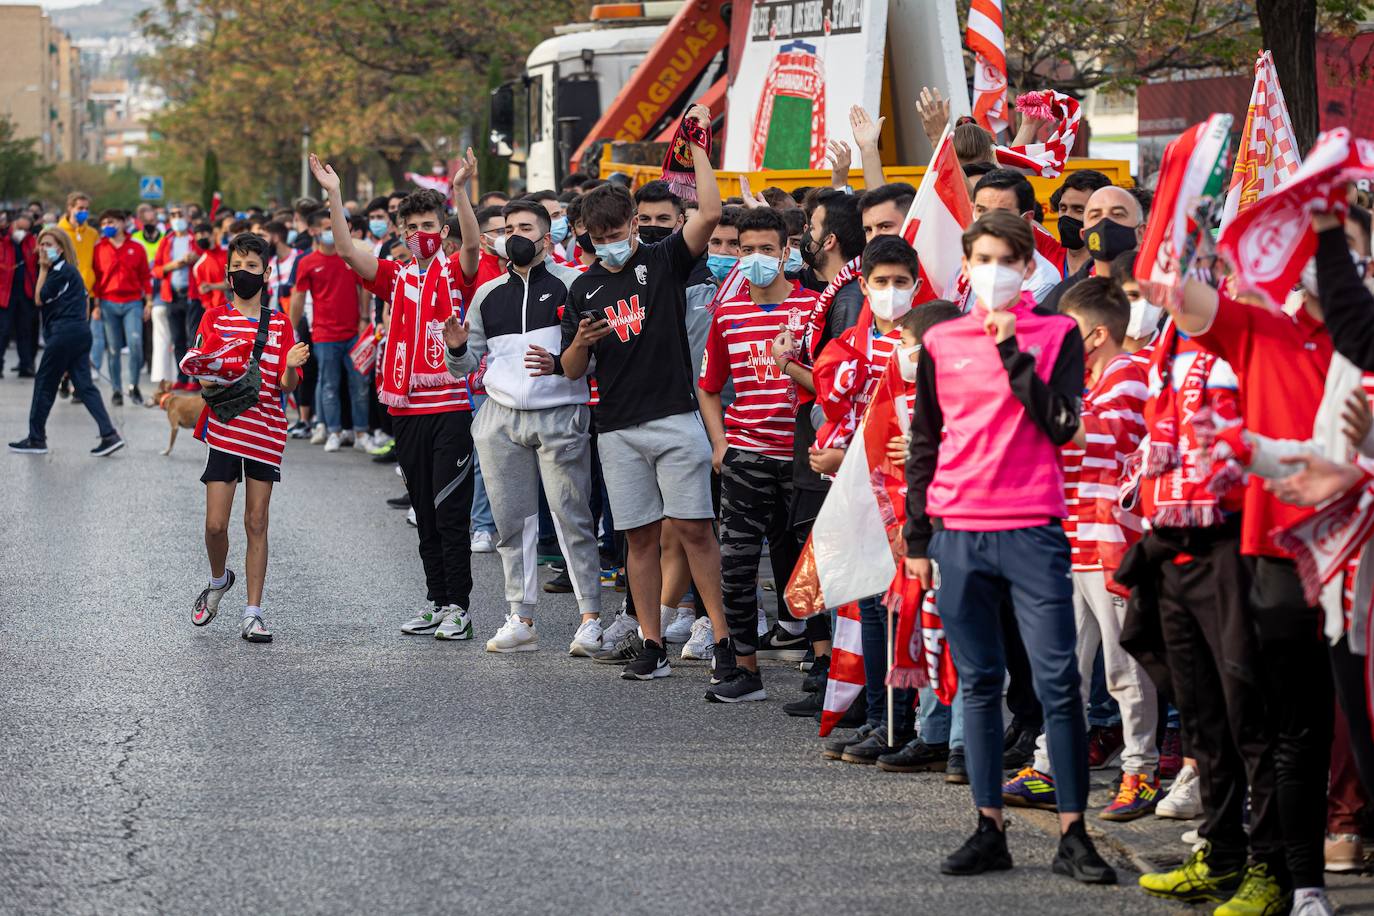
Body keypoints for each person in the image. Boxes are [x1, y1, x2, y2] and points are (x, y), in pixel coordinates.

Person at [903, 210, 1115, 883]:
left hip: (1033, 529)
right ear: (966, 267)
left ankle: (1074, 834)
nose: (994, 271)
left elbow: (1063, 424)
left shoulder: (1058, 333)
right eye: (982, 259)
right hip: (959, 532)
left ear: (1027, 267)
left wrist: (1010, 351)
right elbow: (925, 442)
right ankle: (987, 826)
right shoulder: (941, 340)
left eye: (1006, 260)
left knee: (1058, 682)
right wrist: (917, 537)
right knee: (979, 684)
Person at [555, 102, 729, 683]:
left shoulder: (663, 258)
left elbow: (710, 212)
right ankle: (651, 643)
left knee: (696, 528)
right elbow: (572, 369)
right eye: (600, 238)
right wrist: (580, 341)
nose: (611, 244)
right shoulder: (582, 288)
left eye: (619, 233)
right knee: (639, 538)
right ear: (586, 236)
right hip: (617, 427)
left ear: (634, 223)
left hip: (676, 416)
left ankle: (723, 639)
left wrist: (697, 148)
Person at [1000, 277, 1160, 818]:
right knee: (1063, 667)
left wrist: (1026, 386)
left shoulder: (1128, 374)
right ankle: (1050, 767)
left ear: (1094, 335)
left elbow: (1097, 436)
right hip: (1069, 541)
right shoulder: (1087, 381)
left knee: (1123, 670)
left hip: (1111, 545)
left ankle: (1141, 771)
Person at [312, 153, 481, 642]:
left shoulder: (456, 270)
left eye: (429, 225)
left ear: (442, 231)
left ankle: (460, 607)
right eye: (412, 227)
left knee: (450, 511)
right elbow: (348, 251)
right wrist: (335, 194)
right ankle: (437, 601)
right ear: (403, 234)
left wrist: (460, 191)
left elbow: (473, 244)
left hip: (450, 408)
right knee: (424, 509)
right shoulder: (396, 276)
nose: (420, 233)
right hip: (405, 411)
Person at [444, 197, 604, 655]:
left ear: (547, 237)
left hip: (561, 413)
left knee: (572, 517)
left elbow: (597, 356)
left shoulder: (576, 284)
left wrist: (560, 363)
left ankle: (590, 619)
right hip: (500, 417)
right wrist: (457, 348)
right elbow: (466, 366)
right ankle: (521, 618)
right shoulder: (487, 293)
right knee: (512, 523)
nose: (515, 235)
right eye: (508, 227)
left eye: (525, 228)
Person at [697, 206, 818, 701]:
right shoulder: (727, 313)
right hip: (746, 455)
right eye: (746, 250)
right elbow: (708, 386)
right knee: (737, 564)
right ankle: (744, 669)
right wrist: (720, 444)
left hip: (803, 457)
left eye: (766, 249)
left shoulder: (814, 307)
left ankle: (823, 665)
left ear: (787, 251)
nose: (755, 259)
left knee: (812, 563)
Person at [188, 233, 309, 644]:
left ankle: (253, 613)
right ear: (227, 274)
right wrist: (212, 371)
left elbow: (288, 384)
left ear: (266, 273)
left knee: (256, 522)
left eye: (252, 267)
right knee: (215, 525)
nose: (244, 274)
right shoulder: (213, 319)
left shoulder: (280, 323)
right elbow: (203, 375)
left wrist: (290, 365)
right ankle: (218, 579)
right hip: (225, 430)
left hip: (266, 430)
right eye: (237, 267)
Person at [7, 227, 123, 456]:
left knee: (44, 385)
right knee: (84, 386)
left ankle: (36, 439)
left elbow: (39, 298)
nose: (43, 248)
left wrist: (42, 268)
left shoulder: (60, 271)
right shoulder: (71, 271)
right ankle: (109, 435)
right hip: (78, 332)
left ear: (61, 248)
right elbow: (84, 303)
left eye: (48, 244)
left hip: (64, 334)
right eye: (41, 244)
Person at [289, 209, 369, 453]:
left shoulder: (351, 257)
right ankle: (333, 431)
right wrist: (291, 329)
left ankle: (361, 432)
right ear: (314, 231)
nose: (331, 231)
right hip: (324, 335)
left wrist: (364, 318)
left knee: (359, 385)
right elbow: (298, 297)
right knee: (329, 386)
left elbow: (364, 287)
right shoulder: (307, 262)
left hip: (353, 332)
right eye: (326, 227)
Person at [1041, 186, 1144, 312]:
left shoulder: (1160, 291)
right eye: (1095, 215)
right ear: (1084, 235)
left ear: (1141, 233)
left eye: (1117, 214)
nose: (1105, 222)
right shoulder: (1060, 298)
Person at [92, 209, 154, 406]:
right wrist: (95, 305)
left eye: (111, 222)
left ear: (122, 223)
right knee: (113, 349)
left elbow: (145, 276)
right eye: (104, 224)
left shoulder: (136, 247)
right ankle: (116, 389)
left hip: (133, 302)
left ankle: (133, 386)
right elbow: (96, 278)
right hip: (107, 303)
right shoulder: (99, 248)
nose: (107, 226)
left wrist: (149, 302)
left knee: (135, 344)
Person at [152, 205, 200, 388]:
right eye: (173, 215)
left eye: (180, 214)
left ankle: (195, 378)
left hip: (192, 294)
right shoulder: (167, 240)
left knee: (193, 338)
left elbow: (207, 258)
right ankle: (182, 378)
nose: (177, 218)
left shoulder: (195, 239)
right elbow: (156, 270)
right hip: (171, 295)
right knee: (177, 338)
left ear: (188, 217)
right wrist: (172, 266)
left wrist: (196, 258)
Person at [1049, 170, 1112, 278]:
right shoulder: (1048, 253)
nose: (1067, 215)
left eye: (1078, 210)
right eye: (1063, 208)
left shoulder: (1114, 268)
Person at [0, 212, 39, 378]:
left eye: (26, 229)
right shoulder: (4, 240)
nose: (22, 232)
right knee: (3, 330)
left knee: (25, 330)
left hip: (26, 291)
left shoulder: (31, 242)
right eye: (19, 227)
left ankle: (26, 365)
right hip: (5, 292)